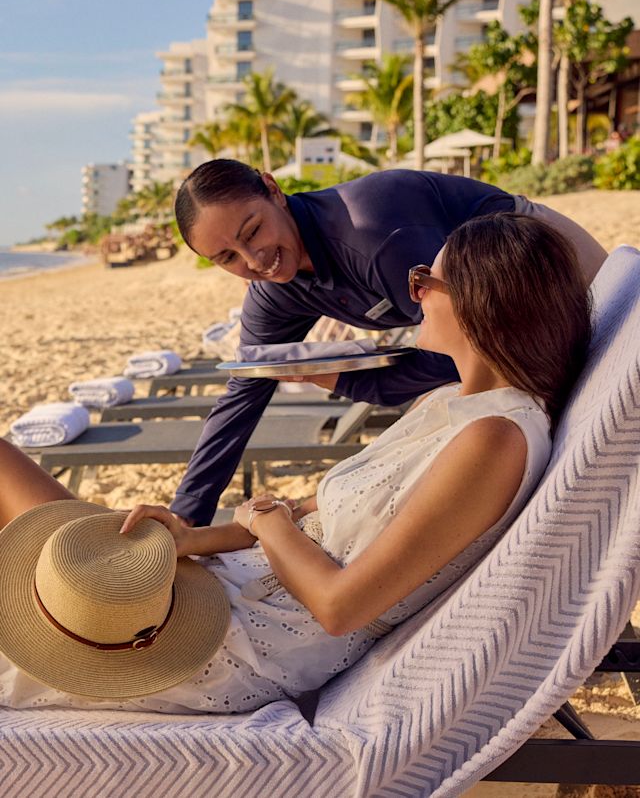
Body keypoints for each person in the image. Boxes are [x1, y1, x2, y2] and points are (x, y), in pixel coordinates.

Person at [0, 213, 592, 714]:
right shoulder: (453, 404)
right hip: (237, 586)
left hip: (246, 646)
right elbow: (308, 507)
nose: (412, 293)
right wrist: (189, 539)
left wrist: (266, 522)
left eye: (424, 279)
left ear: (478, 302)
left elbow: (341, 606)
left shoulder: (496, 440)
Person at [170, 160, 606, 526]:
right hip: (495, 324)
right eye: (227, 258)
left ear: (273, 188)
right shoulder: (274, 290)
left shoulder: (371, 232)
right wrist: (187, 516)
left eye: (252, 231)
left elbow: (464, 356)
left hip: (557, 272)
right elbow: (246, 389)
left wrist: (345, 379)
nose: (254, 261)